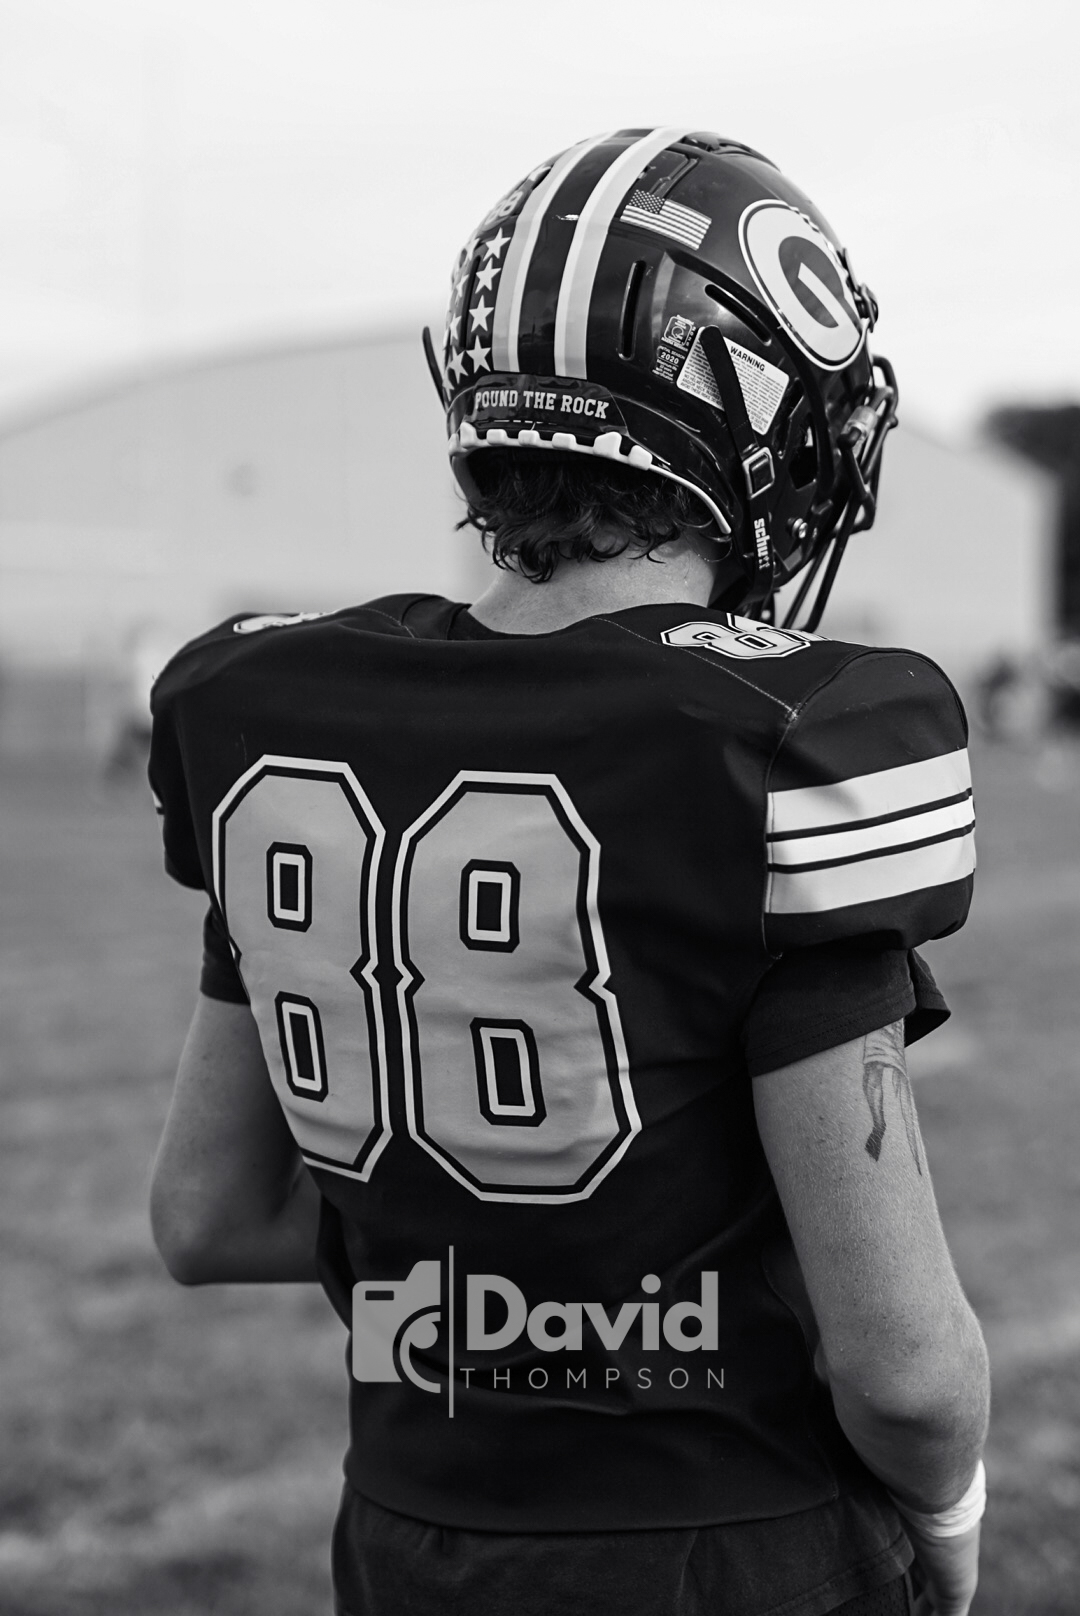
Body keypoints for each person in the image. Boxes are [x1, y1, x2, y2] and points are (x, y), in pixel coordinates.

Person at [148, 129, 990, 1616]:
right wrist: (950, 1520)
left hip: (407, 1528)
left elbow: (208, 1215)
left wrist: (473, 1287)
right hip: (729, 1536)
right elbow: (905, 1368)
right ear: (758, 415)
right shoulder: (771, 737)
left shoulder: (271, 709)